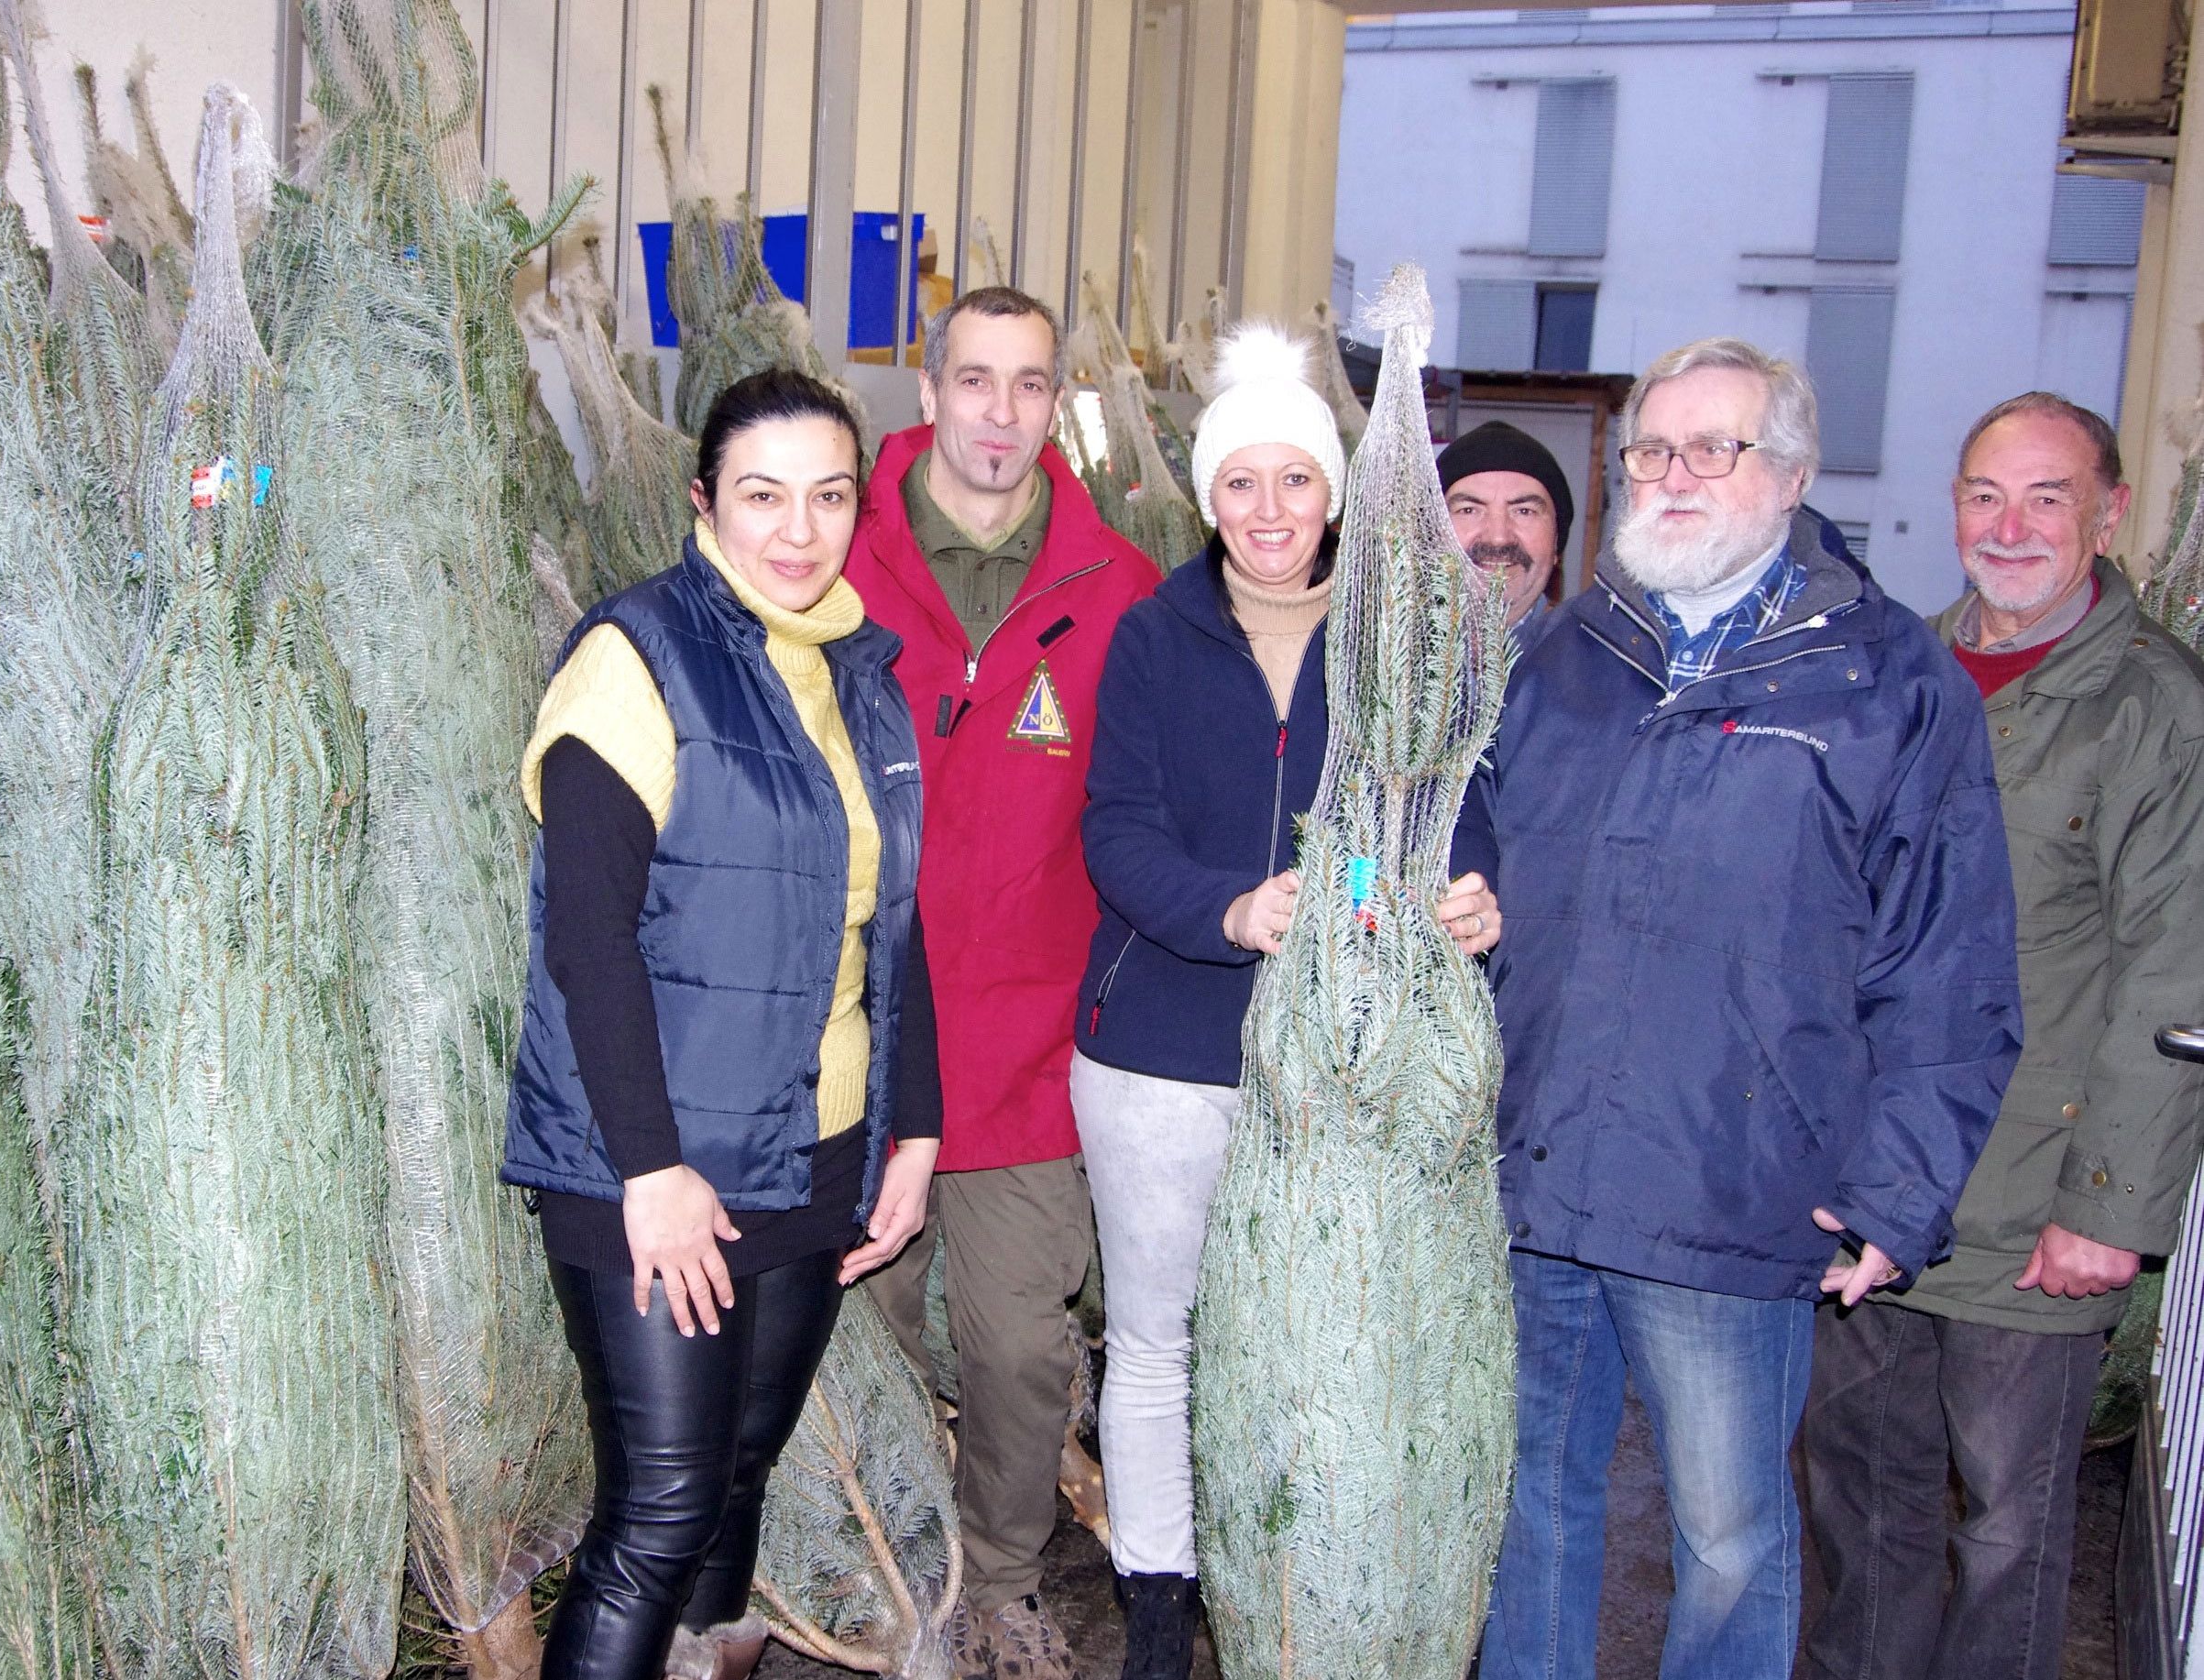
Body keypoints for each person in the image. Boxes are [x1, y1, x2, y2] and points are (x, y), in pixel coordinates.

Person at [1459, 336, 2023, 1680]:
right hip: (1537, 1173)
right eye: (1654, 448)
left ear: (1793, 472)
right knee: (1530, 1508)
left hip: (1731, 1185)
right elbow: (1472, 859)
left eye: (1712, 447)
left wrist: (1899, 1193)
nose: (1674, 474)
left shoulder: (1887, 684)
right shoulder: (1574, 654)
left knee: (1727, 1537)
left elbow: (1949, 962)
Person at [1069, 323, 1502, 1680]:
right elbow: (1115, 827)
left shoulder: (1399, 642)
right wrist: (1231, 908)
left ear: (1332, 493)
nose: (1269, 512)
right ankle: (1155, 1596)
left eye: (1296, 481)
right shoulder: (1154, 633)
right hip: (1166, 1047)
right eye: (1240, 484)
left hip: (1336, 1062)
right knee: (1159, 1336)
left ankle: (1302, 1591)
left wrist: (1468, 897)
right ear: (1208, 499)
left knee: (1310, 1344)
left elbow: (1454, 802)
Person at [501, 369, 935, 1680]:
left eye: (827, 496)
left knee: (741, 1474)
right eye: (762, 495)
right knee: (660, 1510)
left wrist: (910, 1129)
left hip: (814, 1148)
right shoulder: (634, 657)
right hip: (656, 1163)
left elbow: (896, 924)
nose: (797, 530)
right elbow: (589, 937)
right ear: (703, 502)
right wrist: (652, 1169)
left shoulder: (857, 671)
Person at [1802, 393, 2204, 1680]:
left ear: (2109, 512)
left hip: (2039, 1207)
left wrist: (2109, 1206)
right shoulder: (1898, 672)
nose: (2012, 525)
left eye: (2048, 496)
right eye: (1987, 494)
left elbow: (2173, 972)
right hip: (1875, 1194)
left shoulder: (2156, 709)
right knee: (1862, 1513)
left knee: (2011, 1536)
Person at [846, 285, 1162, 1680]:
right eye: (975, 379)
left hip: (1032, 1047)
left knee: (1022, 1350)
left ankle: (1007, 1580)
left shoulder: (1120, 590)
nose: (1000, 410)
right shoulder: (831, 561)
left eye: (1029, 384)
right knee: (864, 1331)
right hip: (864, 1038)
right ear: (930, 394)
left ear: (1056, 403)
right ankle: (884, 1567)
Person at [1438, 419, 1574, 653]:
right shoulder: (1375, 660)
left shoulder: (1595, 666)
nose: (1499, 538)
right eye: (1469, 510)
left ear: (1556, 542)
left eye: (1524, 511)